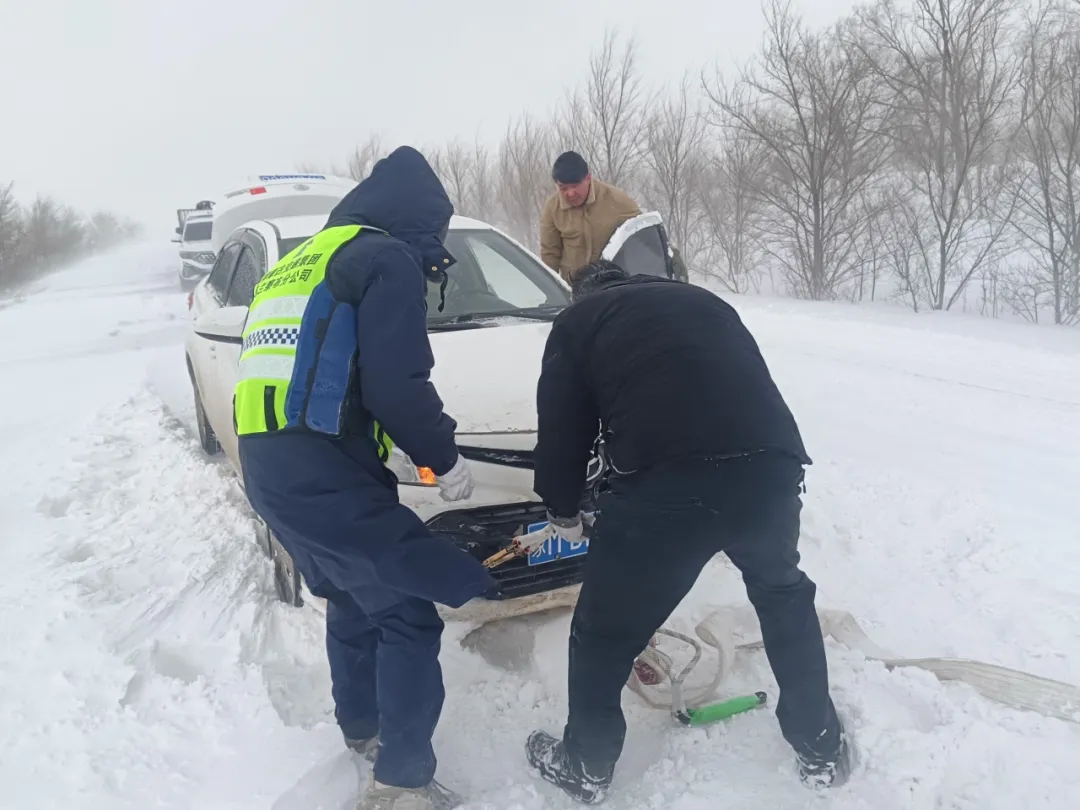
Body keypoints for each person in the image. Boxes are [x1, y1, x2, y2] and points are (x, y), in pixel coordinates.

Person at [520, 260, 852, 804]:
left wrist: (562, 509)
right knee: (781, 595)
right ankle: (819, 746)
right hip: (769, 467)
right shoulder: (704, 302)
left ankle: (586, 764)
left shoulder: (578, 321)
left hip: (666, 486)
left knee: (603, 632)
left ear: (580, 294)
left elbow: (562, 432)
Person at [233, 145, 497, 810]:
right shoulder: (385, 258)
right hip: (322, 473)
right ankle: (402, 782)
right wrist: (442, 457)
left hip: (271, 469)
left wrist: (387, 450)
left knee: (354, 598)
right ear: (419, 224)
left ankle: (362, 729)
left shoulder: (301, 262)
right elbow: (398, 384)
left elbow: (324, 372)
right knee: (408, 615)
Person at [539, 151, 642, 282]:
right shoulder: (552, 208)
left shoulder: (617, 200)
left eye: (575, 186)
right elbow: (549, 254)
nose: (570, 193)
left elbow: (644, 237)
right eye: (563, 188)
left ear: (588, 179)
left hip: (613, 285)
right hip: (573, 287)